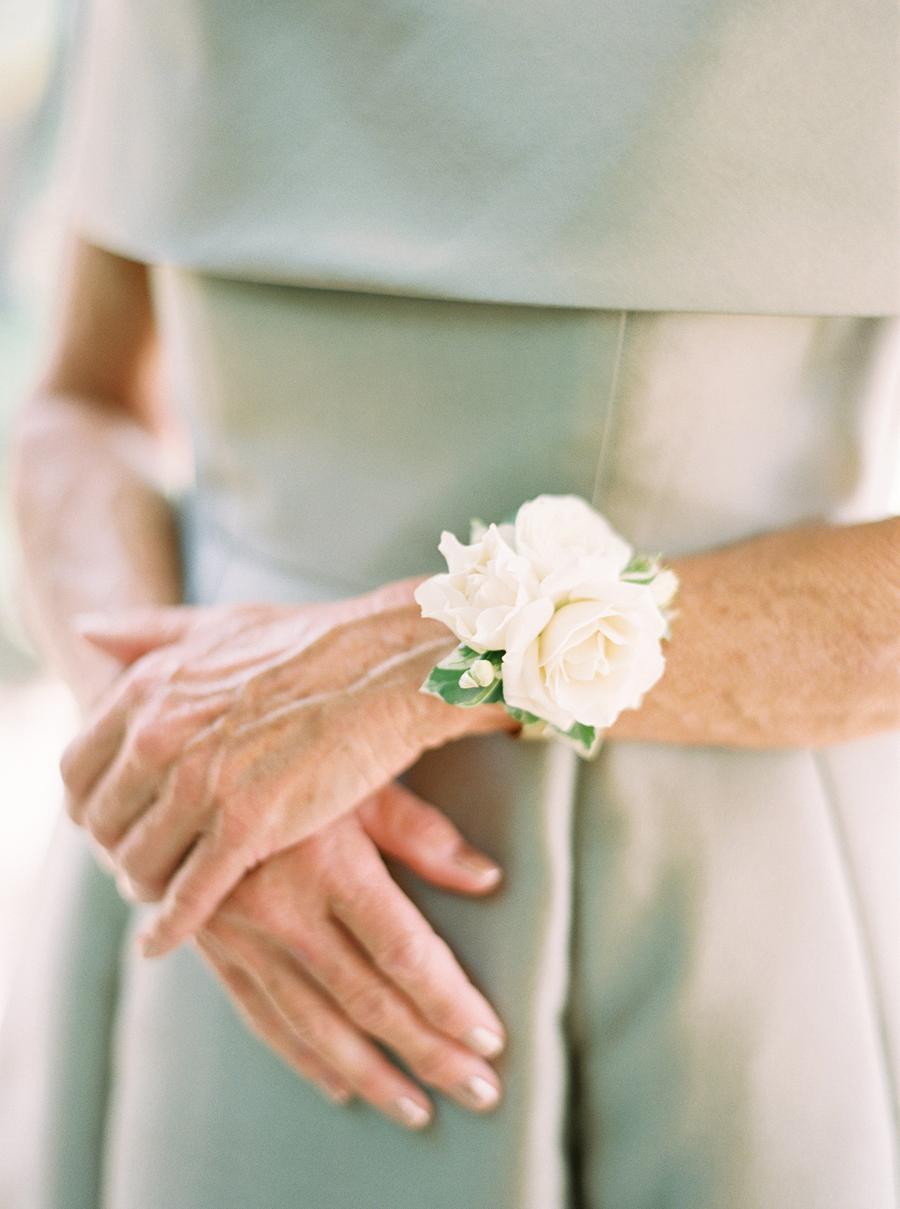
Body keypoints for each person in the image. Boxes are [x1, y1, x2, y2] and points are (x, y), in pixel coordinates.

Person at [1, 2, 898, 1207]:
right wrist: (172, 756)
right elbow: (81, 405)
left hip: (692, 898)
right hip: (217, 904)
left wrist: (437, 650)